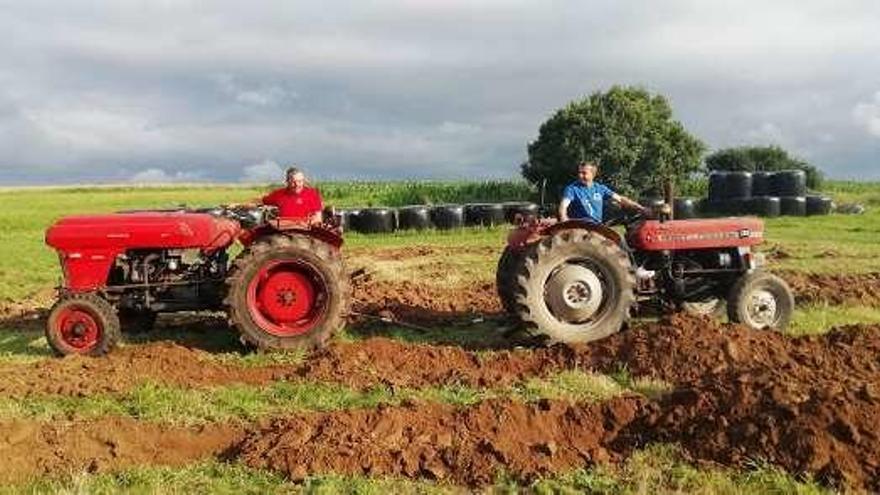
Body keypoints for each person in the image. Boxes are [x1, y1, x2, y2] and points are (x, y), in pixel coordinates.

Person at [558, 161, 645, 223]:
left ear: (593, 174)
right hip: (580, 226)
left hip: (596, 225)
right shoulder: (572, 189)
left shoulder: (600, 188)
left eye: (584, 173)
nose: (580, 176)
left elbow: (621, 199)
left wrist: (641, 208)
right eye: (579, 173)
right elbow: (563, 206)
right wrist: (565, 220)